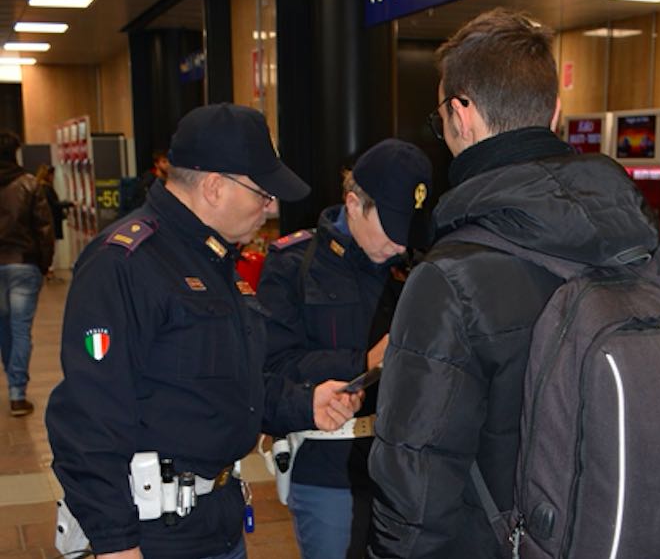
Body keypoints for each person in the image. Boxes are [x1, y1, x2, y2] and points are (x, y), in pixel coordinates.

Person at [367, 9, 660, 557]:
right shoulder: (645, 246)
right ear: (553, 112)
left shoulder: (449, 277)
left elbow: (416, 480)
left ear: (462, 113)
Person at [46, 103, 363, 559]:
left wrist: (304, 402)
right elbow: (88, 418)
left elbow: (230, 384)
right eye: (262, 193)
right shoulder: (126, 264)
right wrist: (116, 544)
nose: (270, 206)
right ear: (215, 187)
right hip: (154, 540)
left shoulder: (215, 262)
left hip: (217, 525)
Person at [257, 138, 432, 559]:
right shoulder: (293, 265)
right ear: (354, 204)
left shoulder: (418, 268)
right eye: (390, 227)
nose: (399, 244)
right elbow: (271, 367)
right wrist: (364, 364)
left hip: (408, 469)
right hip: (328, 469)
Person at [0, 132, 55, 417]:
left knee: (4, 328)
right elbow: (44, 229)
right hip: (23, 263)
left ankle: (14, 380)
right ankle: (17, 393)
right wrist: (45, 264)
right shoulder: (29, 184)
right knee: (20, 329)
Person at [35, 164, 72, 242]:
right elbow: (54, 204)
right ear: (47, 175)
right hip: (53, 221)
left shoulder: (40, 187)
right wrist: (69, 203)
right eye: (52, 175)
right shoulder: (46, 188)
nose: (53, 178)